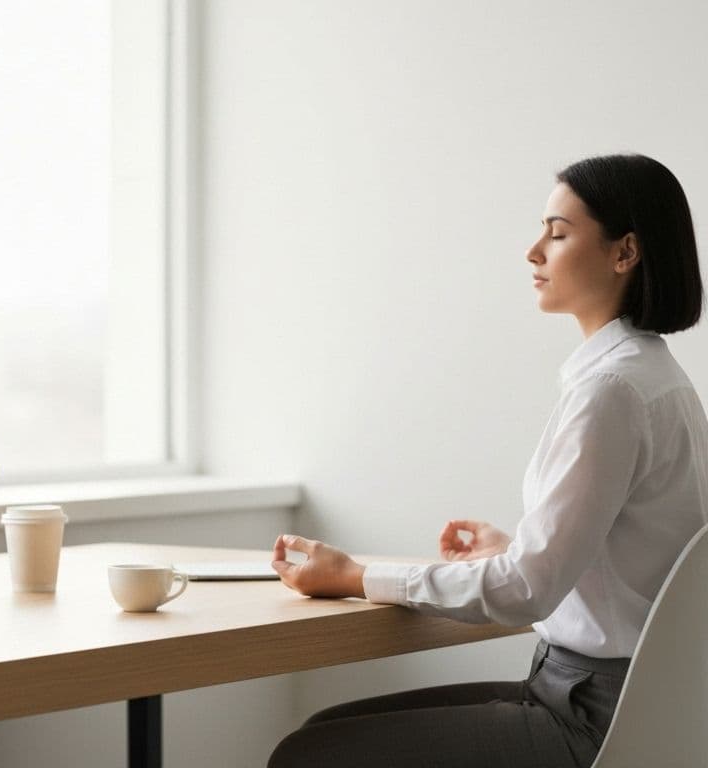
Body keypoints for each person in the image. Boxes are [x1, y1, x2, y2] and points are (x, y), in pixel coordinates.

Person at [267, 154, 708, 768]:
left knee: (310, 754)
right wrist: (515, 547)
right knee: (326, 732)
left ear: (624, 252)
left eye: (557, 233)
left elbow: (526, 591)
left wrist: (355, 576)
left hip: (592, 717)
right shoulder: (659, 381)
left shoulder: (612, 391)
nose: (534, 251)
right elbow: (625, 561)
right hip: (620, 701)